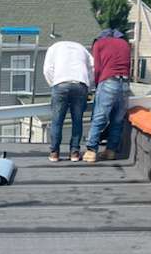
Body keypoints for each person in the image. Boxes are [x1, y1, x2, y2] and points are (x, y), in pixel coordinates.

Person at [83, 28, 132, 163]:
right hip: (125, 83)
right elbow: (129, 66)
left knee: (99, 116)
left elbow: (97, 68)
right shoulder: (125, 44)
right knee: (117, 119)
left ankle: (91, 151)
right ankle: (110, 151)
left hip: (109, 81)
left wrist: (98, 85)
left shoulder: (100, 43)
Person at [43, 39, 94, 163]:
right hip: (80, 84)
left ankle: (54, 153)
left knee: (57, 121)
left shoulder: (54, 48)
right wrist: (89, 86)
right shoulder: (82, 49)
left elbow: (47, 69)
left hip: (61, 84)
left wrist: (54, 84)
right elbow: (93, 68)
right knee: (77, 121)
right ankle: (75, 153)